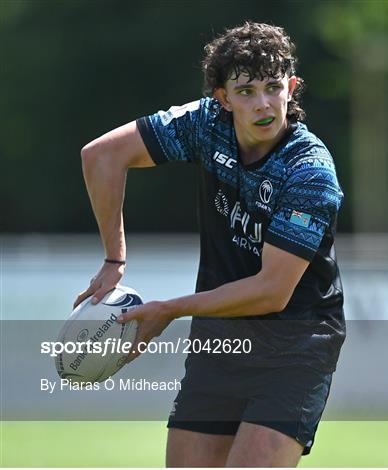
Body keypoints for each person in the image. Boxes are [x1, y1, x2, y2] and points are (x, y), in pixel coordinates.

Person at [75, 21, 345, 467]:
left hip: (295, 348)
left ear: (291, 88)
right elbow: (101, 155)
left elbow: (271, 291)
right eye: (246, 91)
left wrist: (170, 308)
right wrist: (113, 257)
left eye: (273, 87)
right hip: (220, 342)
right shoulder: (206, 124)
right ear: (223, 98)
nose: (262, 104)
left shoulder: (309, 171)